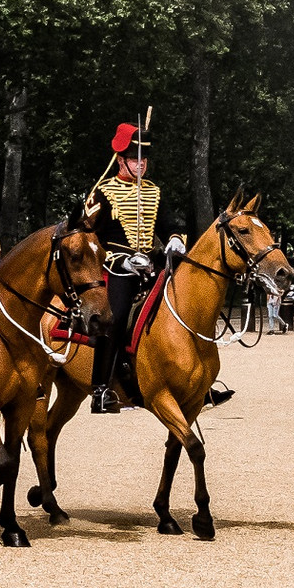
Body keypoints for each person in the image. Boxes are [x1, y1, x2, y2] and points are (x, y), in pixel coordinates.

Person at [88, 120, 186, 414]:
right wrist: (121, 259)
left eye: (144, 158)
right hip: (117, 266)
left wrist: (174, 240)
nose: (141, 164)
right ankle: (101, 388)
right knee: (115, 319)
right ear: (121, 160)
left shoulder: (155, 191)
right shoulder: (103, 192)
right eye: (134, 158)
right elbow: (90, 237)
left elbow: (170, 224)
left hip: (150, 264)